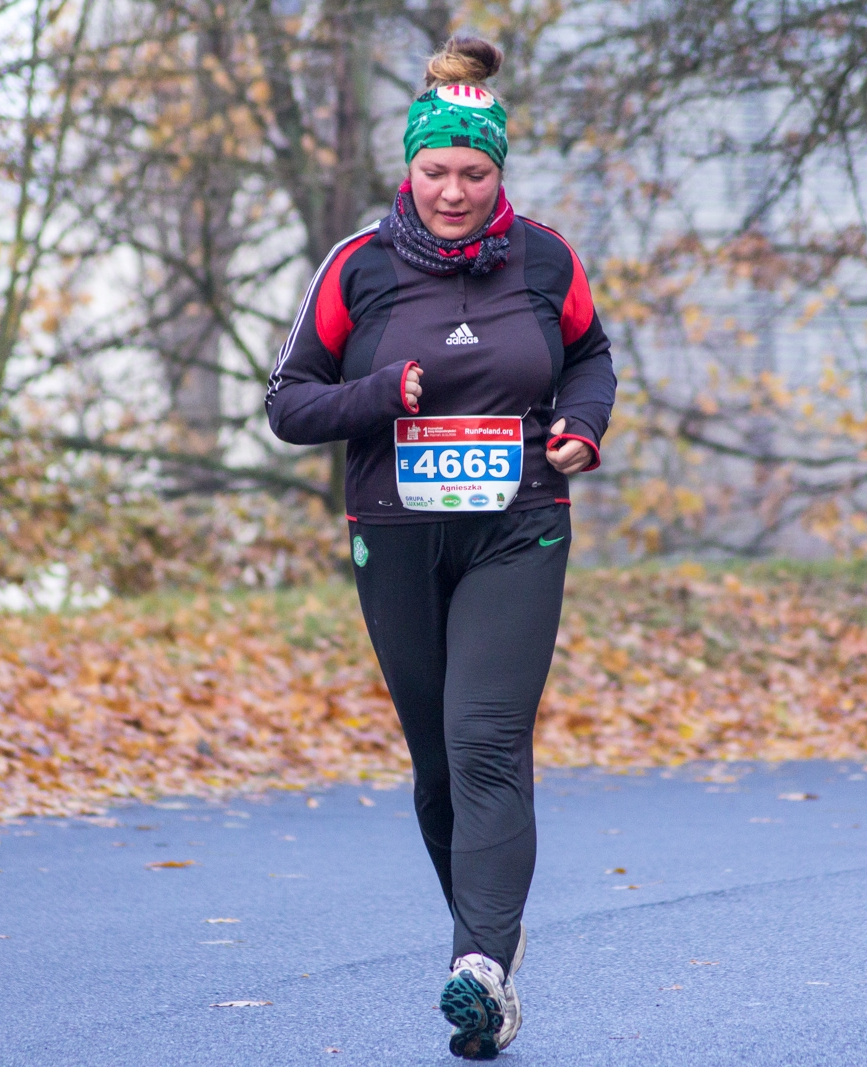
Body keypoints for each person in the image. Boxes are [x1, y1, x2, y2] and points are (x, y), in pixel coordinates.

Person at [264, 35, 615, 1060]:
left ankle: (480, 970)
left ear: (498, 174)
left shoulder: (544, 258)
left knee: (486, 742)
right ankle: (487, 974)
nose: (453, 191)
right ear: (406, 171)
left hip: (519, 526)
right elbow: (288, 403)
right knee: (435, 768)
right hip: (396, 535)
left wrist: (582, 425)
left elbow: (588, 351)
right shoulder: (357, 268)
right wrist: (380, 393)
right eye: (435, 172)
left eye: (474, 172)